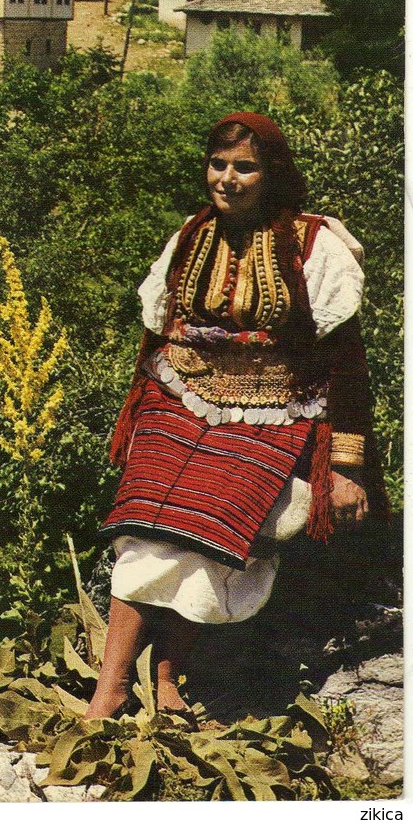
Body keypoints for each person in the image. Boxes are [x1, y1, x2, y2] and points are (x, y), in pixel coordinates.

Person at [86, 112, 386, 723]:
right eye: (218, 165)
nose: (227, 179)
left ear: (271, 174)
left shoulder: (313, 244)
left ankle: (167, 675)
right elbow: (158, 333)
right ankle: (111, 686)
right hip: (182, 399)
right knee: (143, 516)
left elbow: (347, 361)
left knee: (215, 525)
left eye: (244, 167)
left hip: (274, 412)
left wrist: (347, 463)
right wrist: (139, 418)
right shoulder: (192, 236)